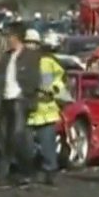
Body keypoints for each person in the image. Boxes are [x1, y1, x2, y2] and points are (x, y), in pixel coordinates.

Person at [0, 22, 41, 189]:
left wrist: (24, 93)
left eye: (10, 36)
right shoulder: (7, 56)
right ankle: (1, 177)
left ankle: (27, 173)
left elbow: (34, 80)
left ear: (17, 38)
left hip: (20, 101)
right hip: (6, 100)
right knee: (3, 139)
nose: (7, 39)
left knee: (18, 138)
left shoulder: (31, 56)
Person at [28, 31, 68, 185]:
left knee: (47, 146)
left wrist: (51, 90)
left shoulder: (48, 62)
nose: (30, 46)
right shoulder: (23, 60)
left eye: (32, 43)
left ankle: (49, 172)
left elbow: (58, 81)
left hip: (45, 109)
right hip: (30, 110)